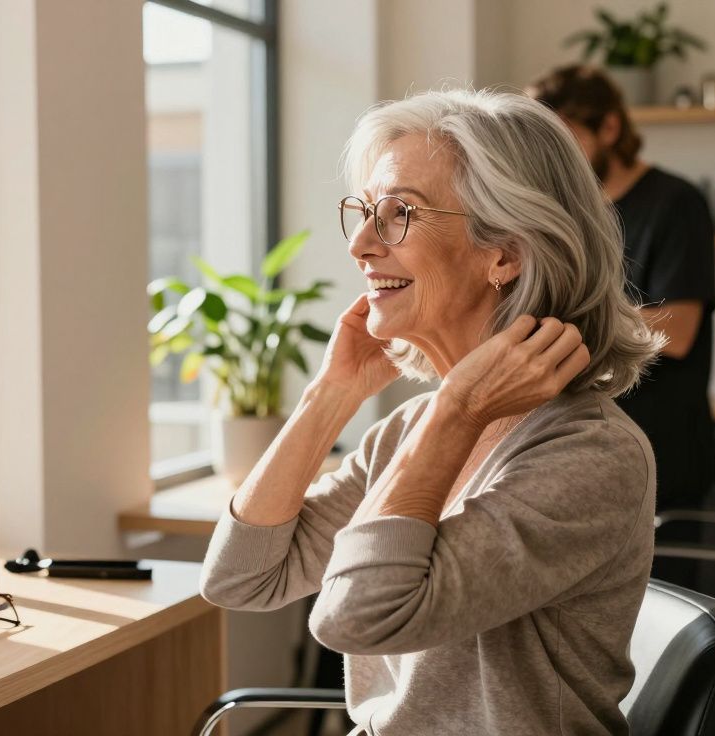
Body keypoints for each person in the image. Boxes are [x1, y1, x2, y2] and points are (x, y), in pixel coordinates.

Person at [200, 89, 661, 735]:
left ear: (504, 252)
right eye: (364, 212)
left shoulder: (589, 455)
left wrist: (458, 408)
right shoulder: (411, 431)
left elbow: (359, 617)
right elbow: (241, 579)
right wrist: (331, 392)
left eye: (399, 214)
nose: (361, 244)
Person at [529, 65, 715, 589]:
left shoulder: (676, 204)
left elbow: (677, 329)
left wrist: (569, 314)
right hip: (586, 445)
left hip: (663, 450)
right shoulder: (569, 215)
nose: (554, 158)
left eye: (564, 138)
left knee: (666, 627)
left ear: (609, 128)